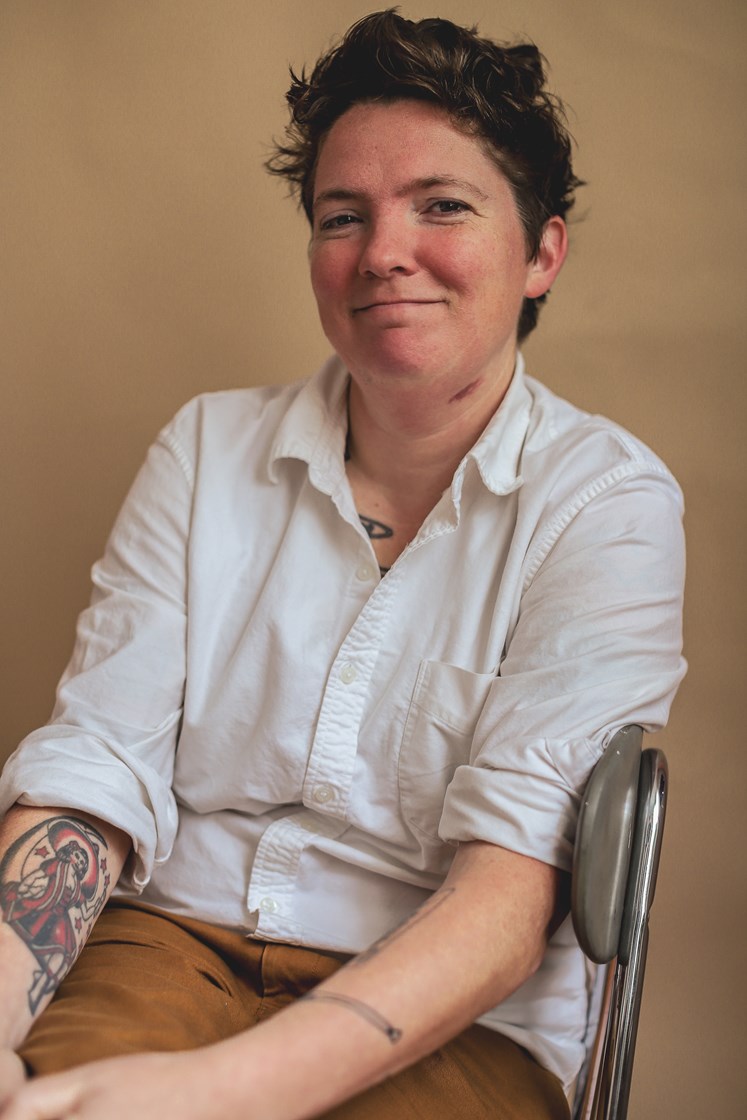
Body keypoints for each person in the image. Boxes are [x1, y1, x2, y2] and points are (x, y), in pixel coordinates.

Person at [0, 10, 686, 1119]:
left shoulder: (608, 503)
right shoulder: (207, 449)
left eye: (442, 205)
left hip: (452, 1008)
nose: (381, 254)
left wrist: (220, 1091)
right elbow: (96, 768)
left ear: (542, 252)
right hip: (172, 940)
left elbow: (507, 893)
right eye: (341, 216)